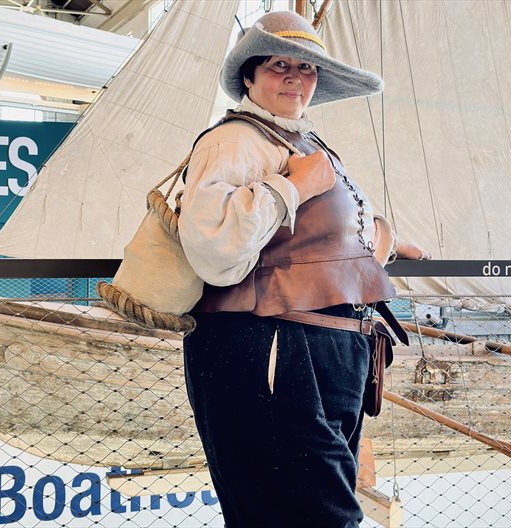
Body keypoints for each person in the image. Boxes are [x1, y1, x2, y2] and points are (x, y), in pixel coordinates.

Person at [177, 11, 428, 527]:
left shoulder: (300, 142)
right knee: (313, 515)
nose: (295, 76)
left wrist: (384, 239)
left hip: (322, 348)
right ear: (249, 77)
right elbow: (213, 248)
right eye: (278, 64)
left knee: (307, 509)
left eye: (306, 67)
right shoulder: (232, 143)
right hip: (273, 346)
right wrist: (296, 187)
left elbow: (313, 241)